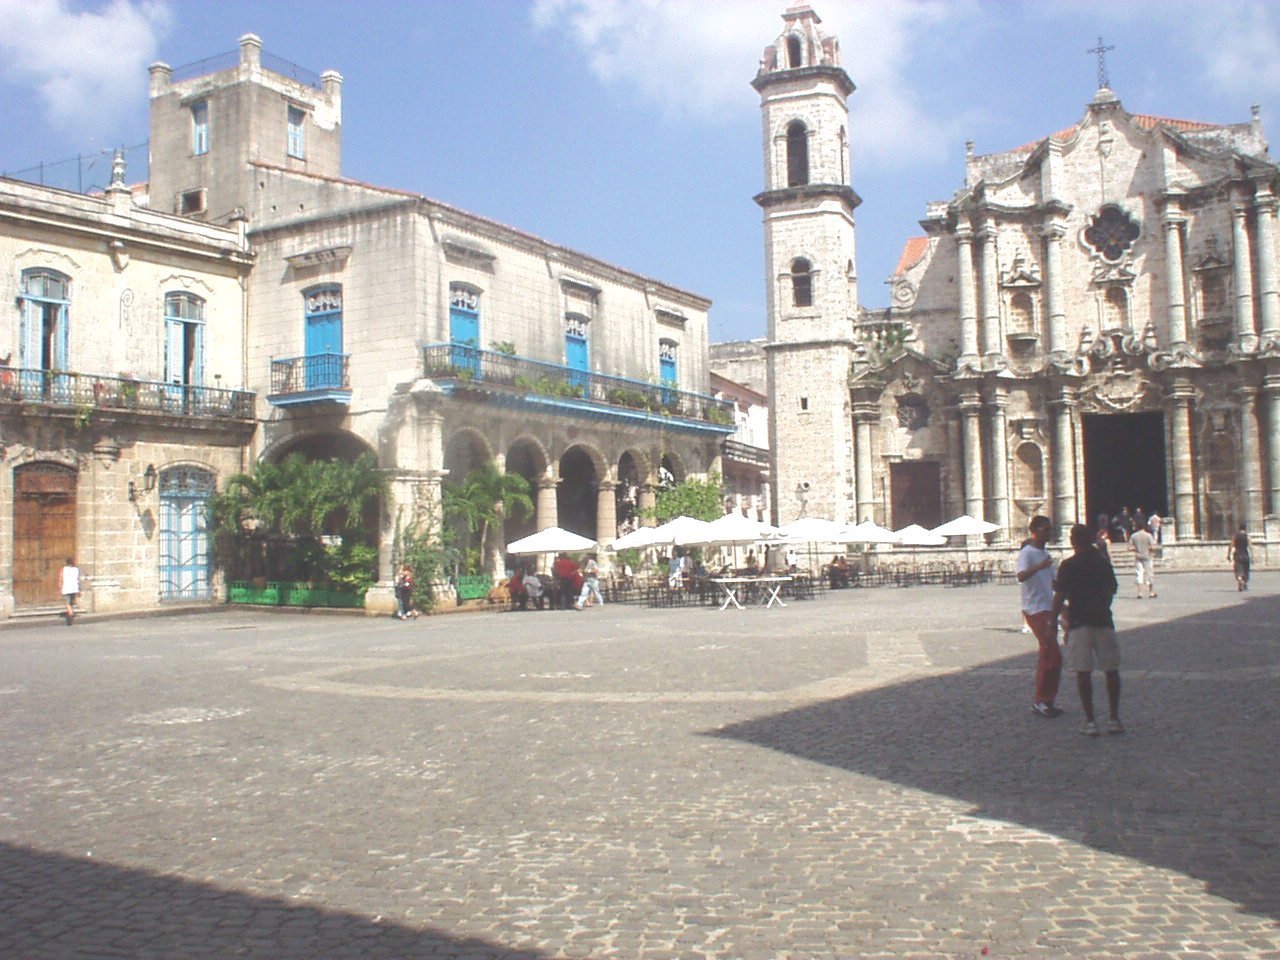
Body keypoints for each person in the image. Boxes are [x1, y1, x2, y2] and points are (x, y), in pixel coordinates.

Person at [1052, 523, 1122, 736]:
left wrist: (1052, 621)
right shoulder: (1102, 563)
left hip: (1079, 622)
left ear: (1073, 541)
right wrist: (1102, 604)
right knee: (1111, 671)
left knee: (1083, 673)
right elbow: (1112, 588)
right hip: (1103, 620)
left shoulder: (1068, 565)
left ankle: (1090, 721)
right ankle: (1114, 718)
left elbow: (1060, 596)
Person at [1016, 515, 1062, 719]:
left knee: (1052, 656)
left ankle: (1047, 699)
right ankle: (1040, 700)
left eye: (1050, 529)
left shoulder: (1045, 554)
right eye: (1045, 529)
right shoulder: (1027, 553)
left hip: (1048, 608)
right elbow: (1021, 576)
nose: (1049, 533)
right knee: (1051, 654)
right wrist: (1039, 567)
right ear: (1034, 531)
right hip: (1035, 609)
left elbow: (1053, 583)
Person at [1129, 522, 1157, 599]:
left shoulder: (1133, 536)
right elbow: (1152, 547)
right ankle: (1151, 592)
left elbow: (1129, 547)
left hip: (1138, 557)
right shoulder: (1148, 535)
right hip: (1147, 557)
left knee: (1139, 574)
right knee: (1149, 574)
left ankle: (1140, 592)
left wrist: (1136, 549)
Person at [1228, 524, 1251, 592]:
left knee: (1238, 570)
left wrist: (1228, 555)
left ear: (1239, 528)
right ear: (1245, 529)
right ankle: (1244, 582)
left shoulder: (1235, 536)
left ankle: (1240, 580)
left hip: (1237, 555)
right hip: (1245, 555)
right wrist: (1253, 556)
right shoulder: (1247, 536)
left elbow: (1231, 546)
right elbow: (1250, 546)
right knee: (1245, 570)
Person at [60, 557, 81, 626]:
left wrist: (60, 587)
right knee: (71, 602)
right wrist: (79, 590)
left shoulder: (64, 569)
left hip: (66, 588)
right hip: (74, 588)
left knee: (67, 603)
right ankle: (70, 612)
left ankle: (70, 614)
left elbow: (61, 579)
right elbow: (78, 580)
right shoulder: (76, 569)